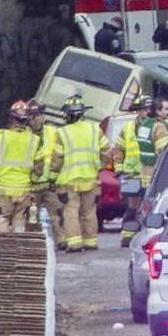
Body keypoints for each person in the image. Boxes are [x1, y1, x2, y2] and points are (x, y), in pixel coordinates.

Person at [52, 95, 111, 252]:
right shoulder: (94, 129)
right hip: (90, 178)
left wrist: (53, 176)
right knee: (89, 211)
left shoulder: (62, 133)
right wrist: (98, 167)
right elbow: (106, 151)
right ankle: (90, 242)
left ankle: (75, 243)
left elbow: (57, 159)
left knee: (71, 211)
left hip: (69, 181)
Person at [114, 94, 168, 246]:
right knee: (132, 207)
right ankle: (127, 236)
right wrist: (119, 168)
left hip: (148, 174)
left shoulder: (153, 126)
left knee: (147, 206)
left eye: (148, 109)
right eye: (144, 110)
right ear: (138, 111)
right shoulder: (128, 128)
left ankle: (143, 236)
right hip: (131, 174)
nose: (147, 112)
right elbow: (118, 149)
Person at [0, 101, 42, 247]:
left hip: (3, 187)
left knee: (2, 218)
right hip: (24, 188)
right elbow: (39, 166)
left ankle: (1, 249)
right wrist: (33, 181)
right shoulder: (34, 140)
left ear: (11, 118)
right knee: (19, 218)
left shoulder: (2, 136)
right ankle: (18, 247)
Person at [27, 100, 64, 242]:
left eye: (37, 115)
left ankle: (62, 240)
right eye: (31, 116)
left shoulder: (53, 132)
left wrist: (57, 178)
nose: (34, 119)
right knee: (31, 217)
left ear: (43, 115)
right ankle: (33, 243)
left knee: (56, 213)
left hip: (50, 184)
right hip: (31, 185)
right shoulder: (24, 135)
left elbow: (60, 155)